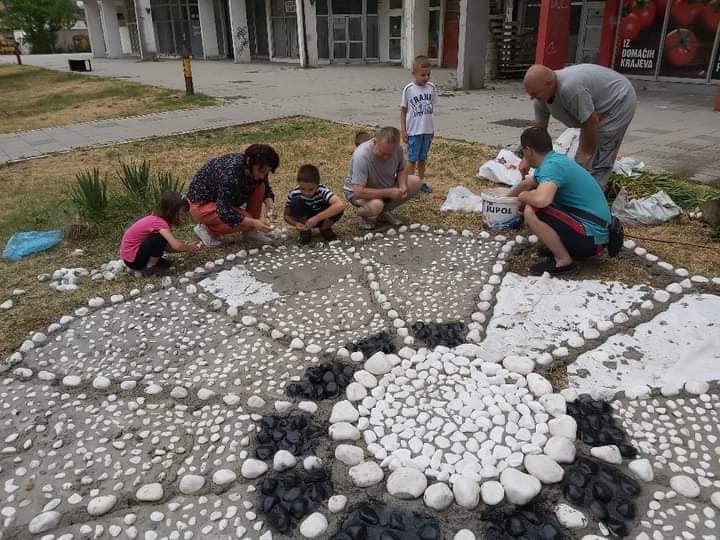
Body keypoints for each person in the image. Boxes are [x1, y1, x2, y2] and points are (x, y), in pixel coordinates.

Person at [509, 127, 611, 276]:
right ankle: (562, 247)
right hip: (595, 231)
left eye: (523, 153)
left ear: (528, 151)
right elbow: (528, 183)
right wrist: (505, 201)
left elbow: (542, 200)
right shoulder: (553, 160)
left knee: (533, 209)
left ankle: (563, 261)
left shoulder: (552, 167)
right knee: (536, 197)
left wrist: (522, 196)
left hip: (592, 238)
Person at [522, 63, 637, 190]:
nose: (532, 98)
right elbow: (539, 131)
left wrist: (586, 153)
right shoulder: (540, 99)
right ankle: (580, 187)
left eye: (535, 93)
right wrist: (527, 158)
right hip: (593, 114)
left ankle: (595, 192)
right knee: (581, 162)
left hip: (618, 100)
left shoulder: (569, 88)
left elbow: (590, 122)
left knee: (599, 153)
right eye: (530, 94)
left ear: (549, 83)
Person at [187, 144, 279, 247]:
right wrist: (253, 222)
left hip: (221, 200)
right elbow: (224, 212)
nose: (263, 175)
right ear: (249, 162)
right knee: (246, 220)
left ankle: (250, 231)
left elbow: (265, 187)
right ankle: (206, 229)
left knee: (260, 186)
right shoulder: (230, 174)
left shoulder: (255, 168)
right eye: (261, 171)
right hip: (201, 205)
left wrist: (269, 204)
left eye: (266, 172)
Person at [343, 126, 422, 229]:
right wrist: (389, 192)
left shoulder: (397, 149)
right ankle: (363, 214)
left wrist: (402, 186)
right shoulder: (361, 155)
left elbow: (402, 169)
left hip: (384, 186)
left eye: (390, 154)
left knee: (415, 181)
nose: (386, 157)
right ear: (374, 142)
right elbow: (358, 191)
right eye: (383, 153)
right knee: (376, 205)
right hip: (358, 194)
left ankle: (383, 213)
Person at [120, 192, 201, 276]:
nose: (183, 218)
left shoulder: (158, 220)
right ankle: (150, 268)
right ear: (171, 212)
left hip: (132, 257)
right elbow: (176, 245)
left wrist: (185, 245)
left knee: (166, 263)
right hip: (133, 260)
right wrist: (189, 248)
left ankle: (148, 264)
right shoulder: (160, 223)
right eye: (181, 214)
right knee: (158, 238)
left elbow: (168, 247)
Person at [400, 55, 437, 194]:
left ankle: (420, 182)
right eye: (422, 75)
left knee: (422, 158)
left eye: (428, 74)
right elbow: (403, 111)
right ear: (414, 73)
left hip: (426, 131)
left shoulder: (431, 88)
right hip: (414, 131)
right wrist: (403, 130)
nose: (426, 77)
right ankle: (411, 185)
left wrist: (431, 129)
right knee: (412, 159)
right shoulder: (409, 89)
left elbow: (431, 109)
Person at [284, 164, 346, 244]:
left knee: (337, 209)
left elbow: (340, 205)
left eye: (311, 189)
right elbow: (286, 216)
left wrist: (316, 218)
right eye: (302, 189)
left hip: (322, 218)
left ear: (317, 185)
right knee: (295, 201)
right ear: (298, 183)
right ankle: (305, 231)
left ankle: (325, 229)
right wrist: (296, 224)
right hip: (305, 219)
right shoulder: (294, 193)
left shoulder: (322, 190)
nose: (306, 193)